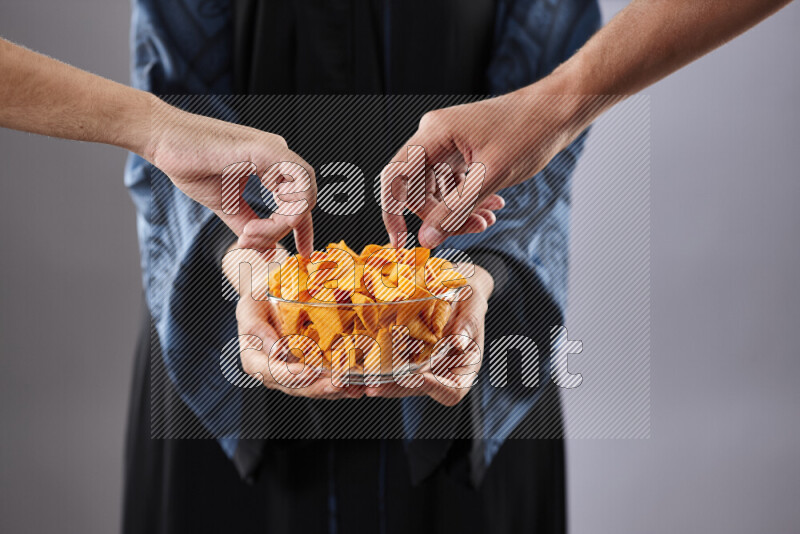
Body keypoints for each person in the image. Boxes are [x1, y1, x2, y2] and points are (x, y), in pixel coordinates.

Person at [0, 0, 791, 532]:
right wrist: (237, 266)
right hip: (224, 347)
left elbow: (547, 79)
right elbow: (173, 81)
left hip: (475, 351)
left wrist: (480, 273)